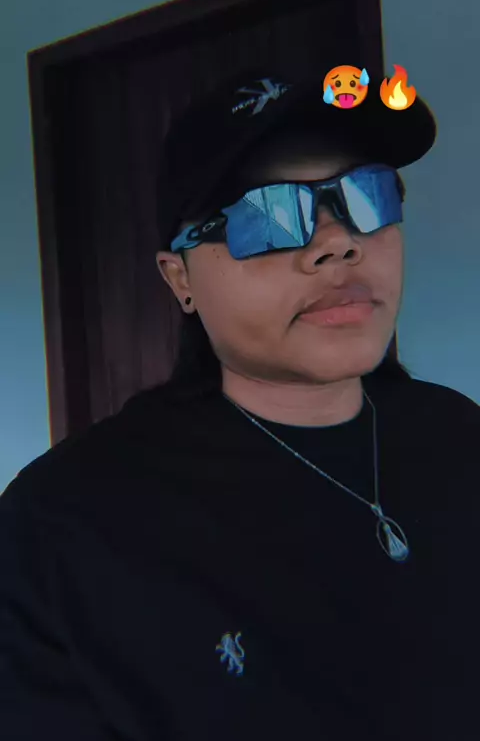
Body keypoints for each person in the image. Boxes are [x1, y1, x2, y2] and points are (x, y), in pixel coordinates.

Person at [1, 68, 479, 741]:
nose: (338, 242)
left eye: (367, 196)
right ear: (180, 278)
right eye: (269, 216)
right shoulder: (64, 523)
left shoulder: (458, 434)